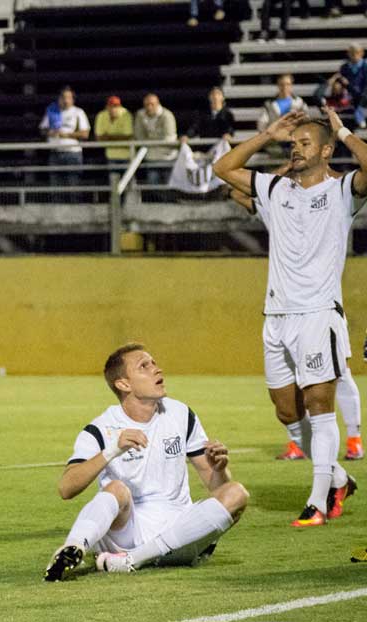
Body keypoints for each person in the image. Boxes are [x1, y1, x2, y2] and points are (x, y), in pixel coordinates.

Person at [212, 107, 366, 526]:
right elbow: (223, 167)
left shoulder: (342, 190)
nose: (296, 149)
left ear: (326, 150)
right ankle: (337, 478)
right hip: (276, 314)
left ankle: (316, 502)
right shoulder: (276, 188)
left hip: (318, 314)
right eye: (293, 144)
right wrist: (268, 134)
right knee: (286, 412)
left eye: (304, 143)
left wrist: (343, 130)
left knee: (319, 406)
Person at [43, 344, 249, 581]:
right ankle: (73, 548)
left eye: (154, 363)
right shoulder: (100, 428)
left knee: (236, 493)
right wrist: (112, 450)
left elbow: (217, 488)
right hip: (126, 535)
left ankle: (133, 560)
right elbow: (66, 488)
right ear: (124, 384)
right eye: (144, 366)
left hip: (180, 534)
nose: (156, 369)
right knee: (117, 489)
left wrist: (220, 469)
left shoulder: (181, 414)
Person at [226, 164, 364, 463]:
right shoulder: (276, 199)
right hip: (283, 307)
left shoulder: (327, 198)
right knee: (288, 396)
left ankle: (354, 438)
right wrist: (282, 173)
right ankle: (300, 445)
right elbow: (234, 190)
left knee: (339, 375)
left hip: (318, 307)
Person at [39, 86, 90, 197]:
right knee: (55, 186)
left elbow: (85, 133)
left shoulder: (78, 112)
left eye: (68, 97)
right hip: (55, 153)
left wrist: (67, 135)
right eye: (63, 97)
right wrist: (50, 133)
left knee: (73, 185)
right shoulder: (52, 111)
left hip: (72, 154)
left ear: (73, 99)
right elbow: (42, 129)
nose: (65, 100)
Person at [133, 93, 178, 193]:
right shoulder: (140, 115)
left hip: (167, 157)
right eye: (147, 104)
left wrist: (149, 140)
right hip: (151, 158)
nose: (149, 107)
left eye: (152, 104)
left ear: (157, 104)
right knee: (153, 185)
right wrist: (156, 140)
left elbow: (168, 139)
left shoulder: (167, 115)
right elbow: (139, 137)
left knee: (169, 185)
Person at [330, 43, 367, 129]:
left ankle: (360, 118)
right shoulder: (345, 67)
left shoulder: (365, 66)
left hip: (363, 94)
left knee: (360, 104)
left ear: (362, 53)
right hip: (351, 95)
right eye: (352, 53)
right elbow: (340, 79)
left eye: (357, 53)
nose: (354, 55)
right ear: (348, 54)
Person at [94, 95, 134, 175]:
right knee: (114, 183)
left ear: (120, 106)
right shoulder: (101, 115)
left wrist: (108, 137)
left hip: (127, 155)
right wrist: (119, 137)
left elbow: (128, 136)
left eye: (116, 106)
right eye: (111, 106)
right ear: (107, 107)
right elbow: (99, 137)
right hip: (111, 156)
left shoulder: (126, 114)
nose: (113, 109)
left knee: (129, 182)